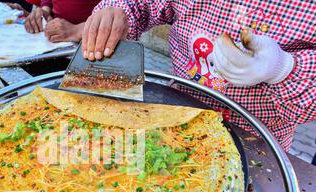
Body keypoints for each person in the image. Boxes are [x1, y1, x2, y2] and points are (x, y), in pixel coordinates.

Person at [81, 1, 316, 152]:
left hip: (257, 139)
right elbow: (143, 3)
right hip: (176, 116)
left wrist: (284, 68)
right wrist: (118, 10)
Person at [24, 0, 101, 42]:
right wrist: (45, 9)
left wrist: (77, 29)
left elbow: (111, 10)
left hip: (90, 38)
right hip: (58, 37)